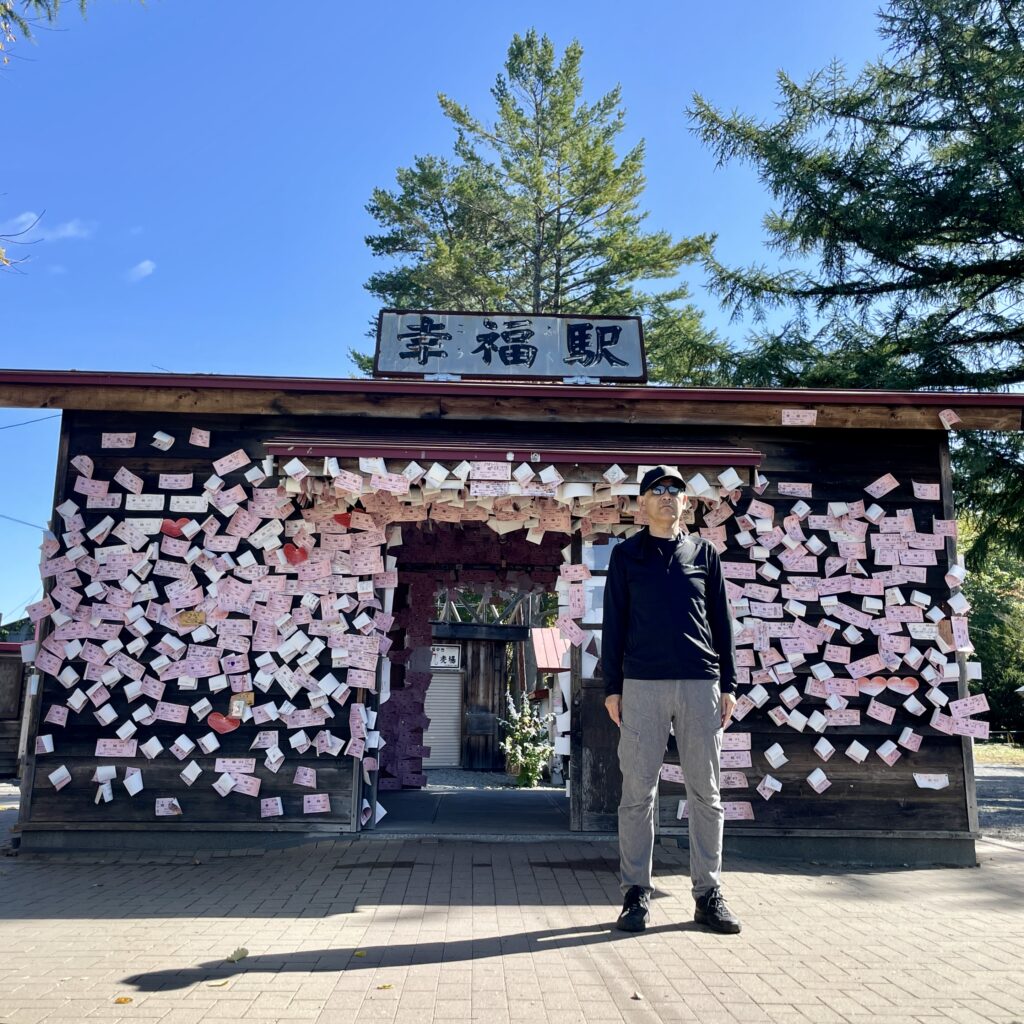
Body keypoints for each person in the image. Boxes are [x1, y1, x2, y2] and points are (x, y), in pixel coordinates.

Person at [601, 465, 741, 934]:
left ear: (687, 502)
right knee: (637, 792)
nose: (666, 497)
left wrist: (731, 684)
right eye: (657, 491)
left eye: (675, 490)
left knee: (707, 793)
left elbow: (722, 622)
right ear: (641, 504)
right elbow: (614, 624)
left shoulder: (705, 553)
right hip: (641, 685)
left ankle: (708, 893)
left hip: (701, 683)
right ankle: (635, 894)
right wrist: (613, 687)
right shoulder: (626, 556)